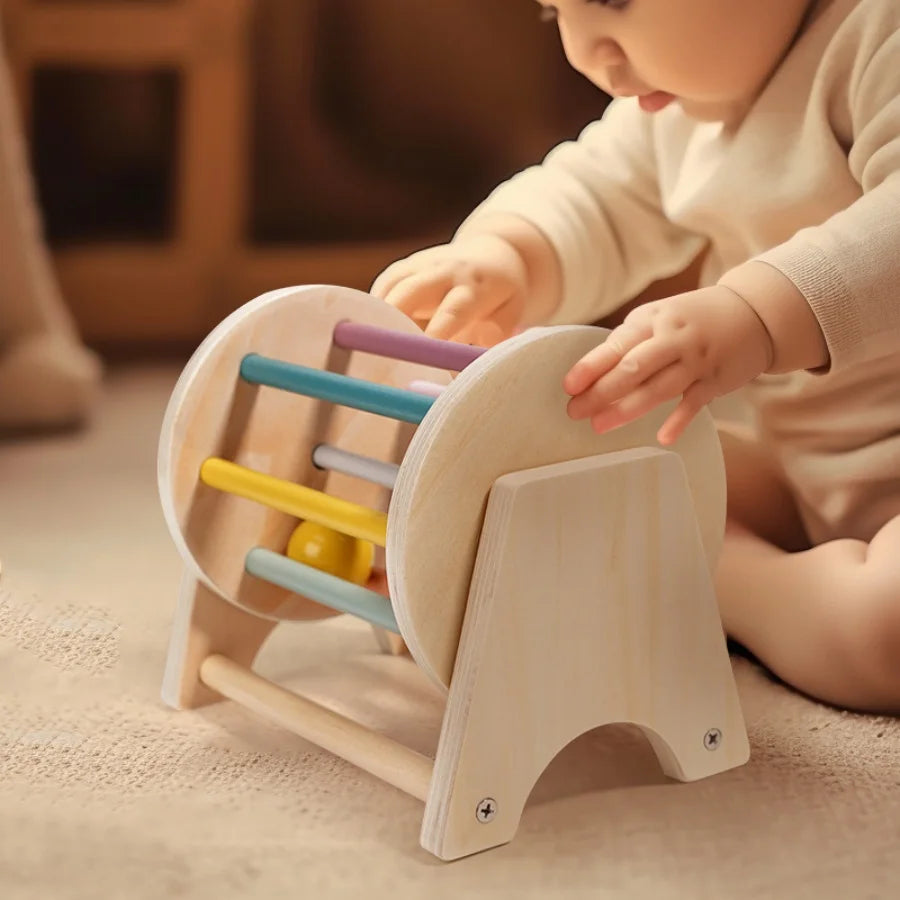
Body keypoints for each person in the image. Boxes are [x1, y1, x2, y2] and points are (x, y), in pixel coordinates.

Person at [371, 0, 900, 713]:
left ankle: (700, 575)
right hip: (805, 474)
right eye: (553, 8)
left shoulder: (878, 34)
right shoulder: (682, 108)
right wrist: (505, 257)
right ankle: (698, 558)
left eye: (613, 1)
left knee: (886, 628)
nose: (585, 50)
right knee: (565, 460)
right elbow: (594, 195)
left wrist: (757, 314)